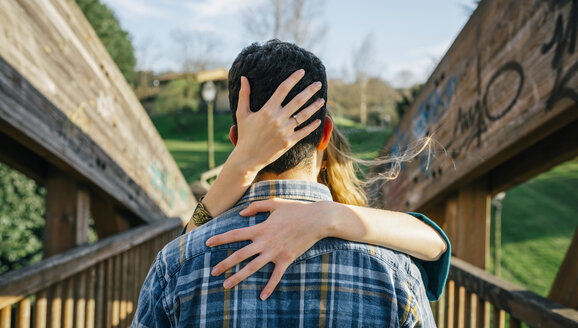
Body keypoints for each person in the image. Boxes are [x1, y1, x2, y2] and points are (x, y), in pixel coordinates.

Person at [133, 40, 443, 327]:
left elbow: (187, 243)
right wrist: (331, 215)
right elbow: (436, 245)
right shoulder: (396, 274)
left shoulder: (176, 265)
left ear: (235, 139)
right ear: (325, 135)